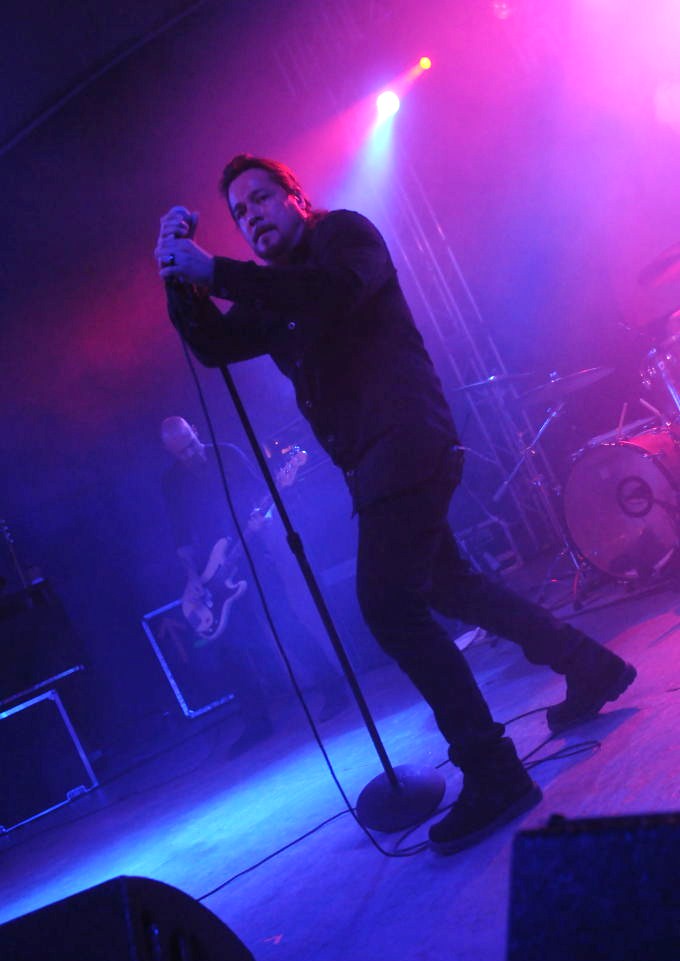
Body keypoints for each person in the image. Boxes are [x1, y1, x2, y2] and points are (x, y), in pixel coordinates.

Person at [155, 155, 636, 853]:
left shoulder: (343, 236)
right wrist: (177, 276)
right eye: (238, 212)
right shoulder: (270, 291)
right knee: (454, 587)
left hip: (406, 439)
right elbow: (215, 346)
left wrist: (217, 272)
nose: (250, 215)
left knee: (387, 604)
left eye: (260, 198)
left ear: (296, 198)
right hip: (371, 461)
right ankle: (591, 666)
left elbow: (331, 293)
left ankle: (493, 770)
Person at [161, 415, 348, 757]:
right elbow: (181, 538)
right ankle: (256, 722)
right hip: (212, 572)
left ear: (196, 432)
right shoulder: (172, 483)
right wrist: (192, 576)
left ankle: (333, 689)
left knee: (284, 622)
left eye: (190, 445)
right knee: (233, 647)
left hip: (252, 556)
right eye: (180, 452)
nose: (188, 454)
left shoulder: (227, 454)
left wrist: (262, 520)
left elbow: (263, 496)